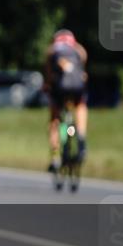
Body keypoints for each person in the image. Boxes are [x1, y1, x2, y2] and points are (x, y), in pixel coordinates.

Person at [44, 29, 88, 173]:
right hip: (76, 87)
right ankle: (80, 136)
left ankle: (55, 157)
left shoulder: (52, 50)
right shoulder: (78, 49)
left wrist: (47, 85)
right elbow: (82, 68)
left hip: (60, 89)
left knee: (55, 118)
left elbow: (49, 74)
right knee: (80, 105)